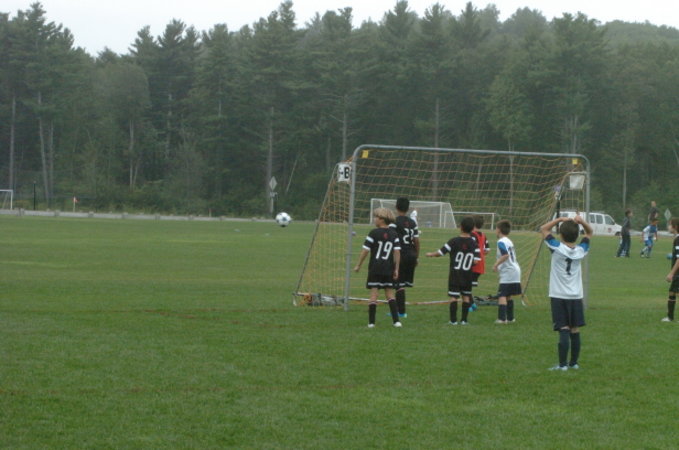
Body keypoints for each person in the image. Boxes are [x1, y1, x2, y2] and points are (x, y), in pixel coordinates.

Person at [540, 214, 592, 371]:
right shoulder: (581, 250)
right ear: (577, 235)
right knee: (575, 329)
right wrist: (582, 222)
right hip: (576, 296)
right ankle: (574, 363)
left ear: (561, 235)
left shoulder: (556, 247)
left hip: (559, 295)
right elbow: (589, 233)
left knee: (563, 328)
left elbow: (543, 229)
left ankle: (562, 365)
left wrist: (559, 219)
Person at [426, 216, 480, 325]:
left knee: (453, 297)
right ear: (472, 229)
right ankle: (464, 320)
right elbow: (476, 261)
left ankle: (453, 320)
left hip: (455, 274)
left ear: (461, 227)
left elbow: (441, 252)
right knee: (466, 296)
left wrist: (431, 254)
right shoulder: (474, 243)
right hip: (467, 275)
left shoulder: (453, 241)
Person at [353, 208, 402, 328]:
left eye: (376, 217)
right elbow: (397, 252)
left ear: (382, 220)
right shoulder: (394, 234)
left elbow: (365, 251)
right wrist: (396, 269)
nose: (374, 219)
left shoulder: (373, 233)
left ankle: (371, 323)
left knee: (374, 295)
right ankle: (396, 321)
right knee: (390, 294)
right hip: (388, 268)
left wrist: (358, 264)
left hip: (375, 268)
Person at [391, 197, 420, 318]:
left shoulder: (394, 222)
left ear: (396, 207)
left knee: (399, 284)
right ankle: (400, 309)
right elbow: (416, 241)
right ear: (408, 209)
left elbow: (391, 239)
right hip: (411, 254)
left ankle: (401, 312)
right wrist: (417, 257)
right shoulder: (413, 223)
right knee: (402, 284)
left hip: (400, 255)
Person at [492, 220, 521, 324]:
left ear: (499, 230)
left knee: (502, 294)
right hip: (515, 269)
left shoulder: (501, 242)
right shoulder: (509, 241)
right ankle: (510, 318)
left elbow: (505, 255)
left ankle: (502, 319)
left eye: (496, 228)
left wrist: (496, 264)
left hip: (509, 271)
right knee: (508, 295)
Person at [469, 215, 491, 311]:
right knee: (468, 285)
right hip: (481, 264)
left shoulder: (471, 234)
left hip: (473, 263)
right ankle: (471, 304)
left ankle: (471, 305)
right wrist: (481, 253)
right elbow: (487, 250)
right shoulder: (483, 235)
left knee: (465, 285)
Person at [661, 218, 679, 322]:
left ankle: (670, 317)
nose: (668, 227)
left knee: (673, 292)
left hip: (678, 273)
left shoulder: (678, 240)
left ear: (675, 227)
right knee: (672, 292)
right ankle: (670, 317)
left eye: (670, 225)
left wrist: (671, 273)